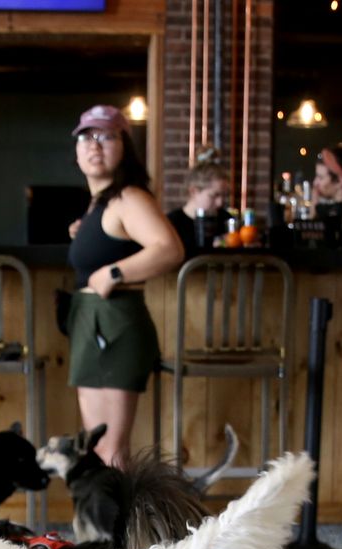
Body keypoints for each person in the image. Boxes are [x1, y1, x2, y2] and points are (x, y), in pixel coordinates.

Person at [65, 104, 184, 468]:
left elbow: (170, 249)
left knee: (110, 451)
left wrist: (113, 273)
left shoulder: (129, 196)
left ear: (125, 147)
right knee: (99, 451)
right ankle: (108, 527)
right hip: (94, 326)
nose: (94, 145)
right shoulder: (101, 202)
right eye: (86, 136)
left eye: (106, 136)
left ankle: (121, 527)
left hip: (115, 327)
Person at [166, 154, 233, 257]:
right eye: (214, 196)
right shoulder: (171, 223)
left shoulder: (227, 220)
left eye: (224, 196)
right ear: (194, 191)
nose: (220, 202)